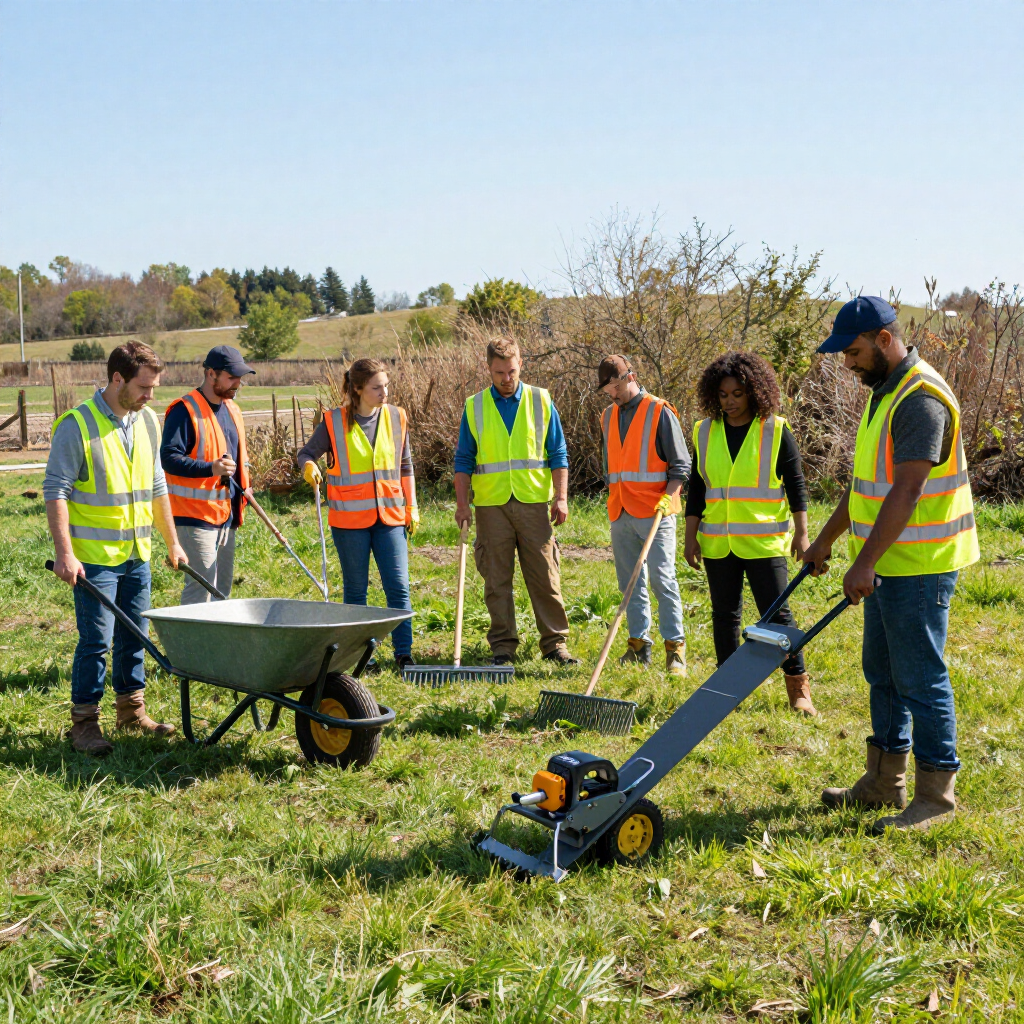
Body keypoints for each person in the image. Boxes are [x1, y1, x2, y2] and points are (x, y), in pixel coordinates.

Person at [804, 296, 978, 831]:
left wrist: (864, 563)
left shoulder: (920, 399)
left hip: (920, 565)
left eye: (853, 351)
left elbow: (906, 491)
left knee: (920, 678)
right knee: (881, 671)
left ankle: (936, 798)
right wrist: (827, 540)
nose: (847, 362)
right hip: (886, 563)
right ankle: (884, 781)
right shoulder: (885, 392)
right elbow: (865, 489)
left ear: (884, 339)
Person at [44, 342, 187, 755]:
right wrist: (65, 552)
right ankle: (84, 723)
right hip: (94, 560)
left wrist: (172, 542)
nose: (150, 395)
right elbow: (55, 492)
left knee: (134, 635)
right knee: (96, 641)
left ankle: (131, 711)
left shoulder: (147, 422)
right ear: (117, 379)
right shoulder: (77, 425)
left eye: (154, 387)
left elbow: (157, 485)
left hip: (136, 553)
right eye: (144, 387)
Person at [684, 351, 817, 715]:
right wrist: (689, 535)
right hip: (717, 542)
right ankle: (725, 692)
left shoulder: (776, 430)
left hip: (764, 542)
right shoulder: (704, 431)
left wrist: (803, 535)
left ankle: (798, 687)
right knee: (725, 616)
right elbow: (697, 488)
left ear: (754, 391)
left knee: (778, 617)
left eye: (738, 394)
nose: (730, 402)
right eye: (724, 395)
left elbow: (797, 485)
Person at [454, 336, 579, 666]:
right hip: (491, 506)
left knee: (545, 575)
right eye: (499, 373)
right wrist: (462, 505)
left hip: (534, 504)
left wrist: (562, 497)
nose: (506, 379)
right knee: (496, 580)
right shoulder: (475, 406)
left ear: (520, 364)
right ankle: (503, 647)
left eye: (511, 371)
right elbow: (464, 460)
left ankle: (555, 645)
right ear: (488, 370)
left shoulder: (541, 400)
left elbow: (559, 453)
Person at [297, 358, 418, 670]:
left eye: (386, 386)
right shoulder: (334, 421)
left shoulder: (396, 417)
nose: (385, 392)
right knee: (356, 591)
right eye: (378, 387)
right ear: (359, 389)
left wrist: (411, 506)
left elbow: (405, 466)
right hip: (349, 522)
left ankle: (404, 653)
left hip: (390, 516)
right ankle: (363, 658)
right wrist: (308, 466)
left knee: (399, 587)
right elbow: (307, 453)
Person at [597, 355, 690, 675]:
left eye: (616, 386)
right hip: (620, 510)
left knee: (662, 580)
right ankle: (638, 646)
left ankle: (675, 650)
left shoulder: (659, 411)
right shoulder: (607, 416)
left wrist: (668, 498)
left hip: (656, 513)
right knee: (630, 583)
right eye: (608, 389)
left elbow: (681, 466)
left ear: (631, 377)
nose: (613, 394)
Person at [161, 346, 254, 604]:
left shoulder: (233, 409)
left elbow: (238, 457)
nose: (238, 383)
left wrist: (247, 485)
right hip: (194, 515)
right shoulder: (184, 410)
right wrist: (210, 468)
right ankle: (190, 644)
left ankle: (215, 644)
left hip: (226, 514)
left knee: (221, 590)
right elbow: (168, 459)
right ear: (211, 374)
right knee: (201, 587)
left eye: (240, 377)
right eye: (232, 377)